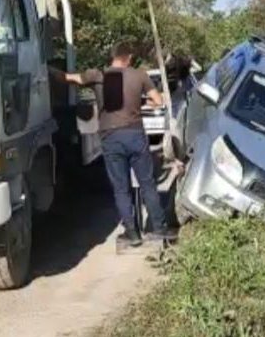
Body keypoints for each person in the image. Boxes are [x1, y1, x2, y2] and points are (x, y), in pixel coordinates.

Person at [50, 42, 176, 247]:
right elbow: (158, 101)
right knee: (147, 184)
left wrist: (48, 70)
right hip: (135, 135)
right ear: (129, 57)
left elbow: (68, 78)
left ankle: (132, 234)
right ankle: (159, 229)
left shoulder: (97, 75)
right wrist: (143, 104)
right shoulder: (140, 75)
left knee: (121, 188)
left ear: (113, 57)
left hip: (111, 138)